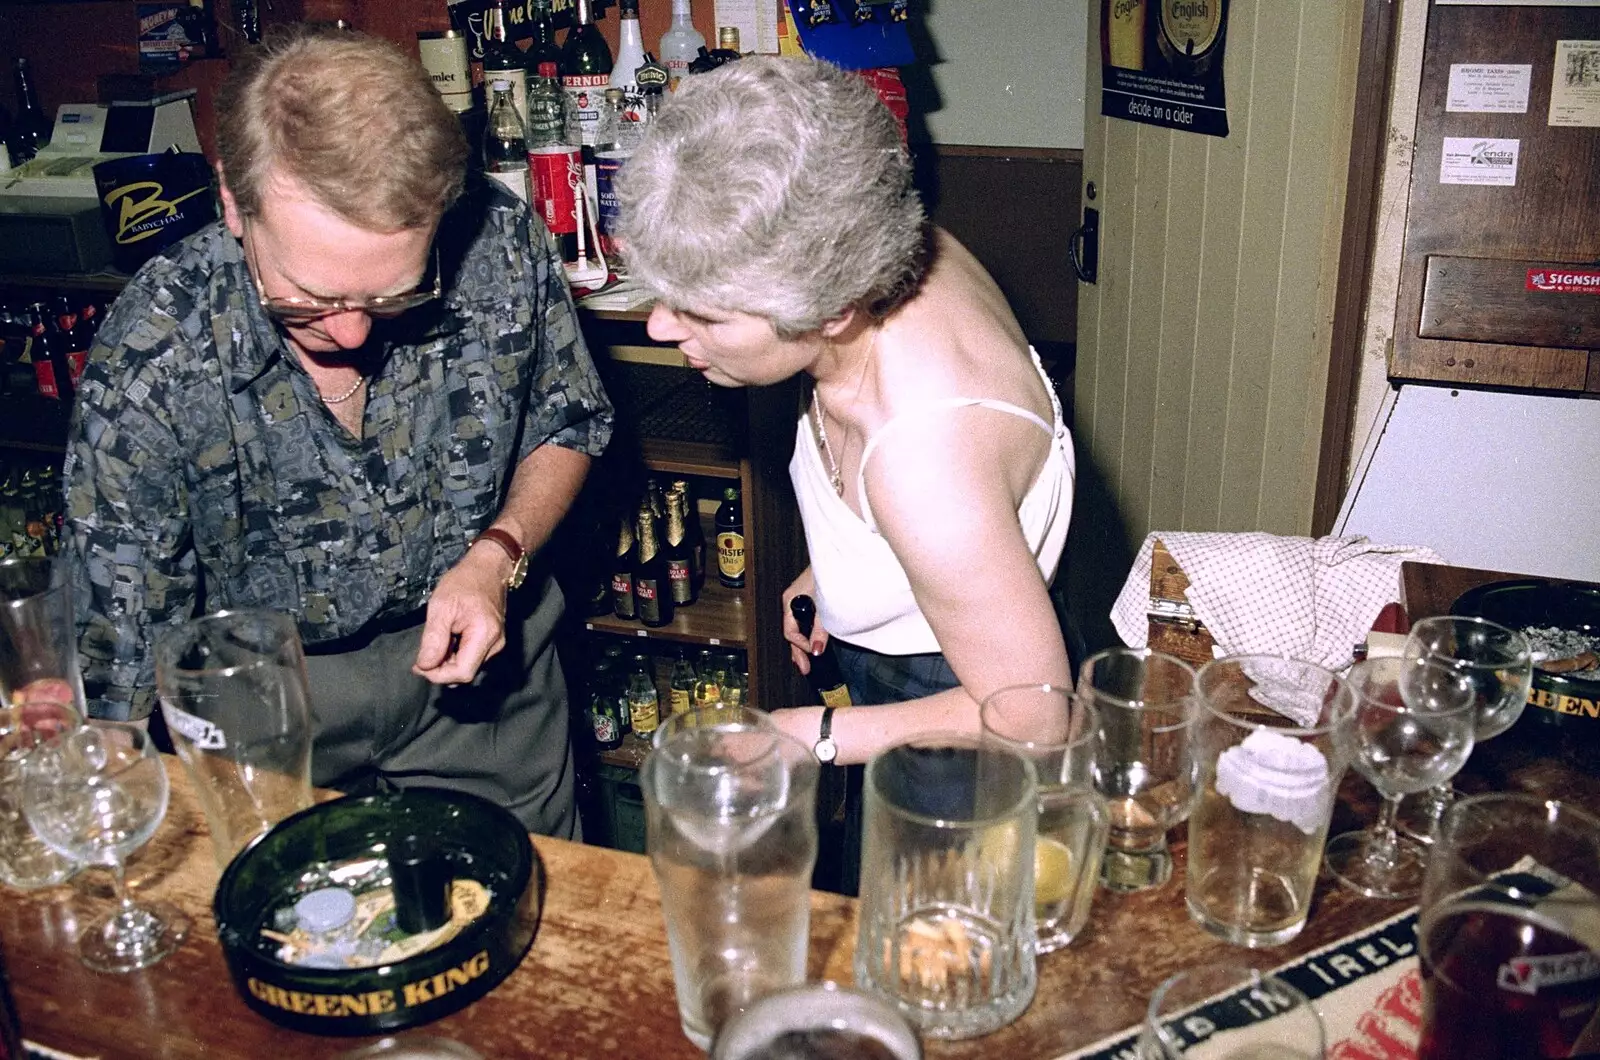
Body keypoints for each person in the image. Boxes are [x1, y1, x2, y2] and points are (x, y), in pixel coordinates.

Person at [62, 26, 613, 836]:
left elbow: (566, 419)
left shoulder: (499, 241)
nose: (353, 335)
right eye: (308, 298)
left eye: (393, 295)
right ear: (232, 203)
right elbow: (119, 648)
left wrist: (497, 555)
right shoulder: (155, 351)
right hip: (264, 700)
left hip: (485, 671)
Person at [615, 55, 1075, 768]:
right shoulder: (887, 248)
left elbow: (1037, 718)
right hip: (946, 649)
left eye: (702, 313)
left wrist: (806, 735)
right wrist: (843, 574)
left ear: (830, 310)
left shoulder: (925, 462)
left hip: (972, 727)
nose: (661, 329)